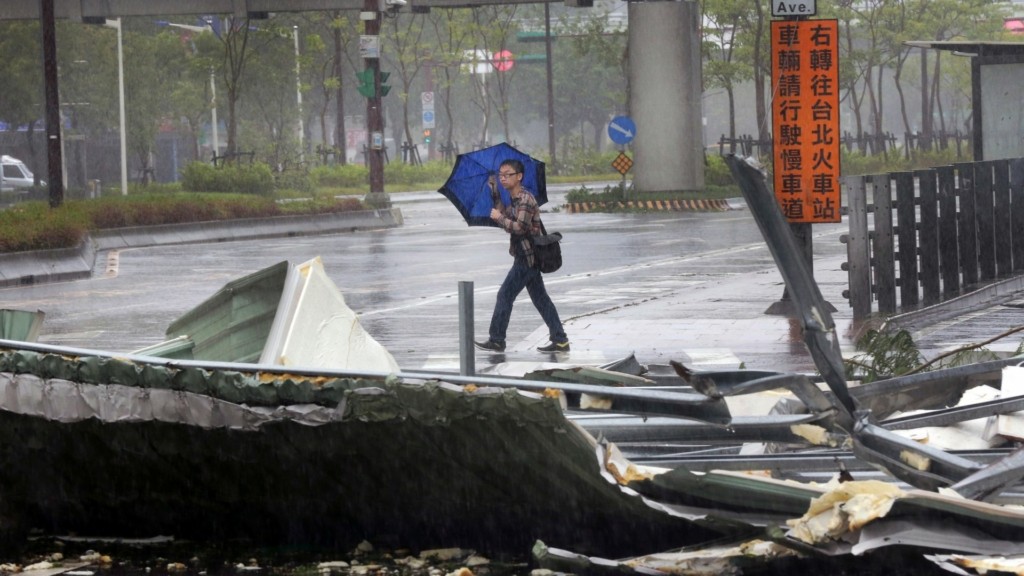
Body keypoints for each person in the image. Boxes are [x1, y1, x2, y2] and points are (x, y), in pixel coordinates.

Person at [475, 159, 570, 354]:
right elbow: (504, 212)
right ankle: (560, 340)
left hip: (527, 259)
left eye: (507, 174)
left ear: (519, 176)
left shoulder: (525, 199)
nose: (503, 178)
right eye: (501, 174)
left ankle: (497, 339)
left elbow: (520, 227)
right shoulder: (514, 199)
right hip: (526, 256)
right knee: (541, 299)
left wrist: (499, 218)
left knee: (504, 295)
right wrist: (494, 191)